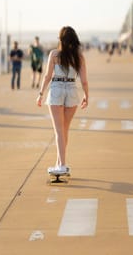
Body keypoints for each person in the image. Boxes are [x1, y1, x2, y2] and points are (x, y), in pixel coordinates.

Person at [36, 26, 88, 175]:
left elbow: (47, 77)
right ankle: (59, 162)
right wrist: (86, 96)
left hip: (57, 89)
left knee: (59, 131)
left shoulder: (54, 54)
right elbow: (84, 81)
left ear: (61, 40)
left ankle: (62, 165)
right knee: (64, 130)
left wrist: (40, 94)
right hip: (72, 89)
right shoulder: (79, 57)